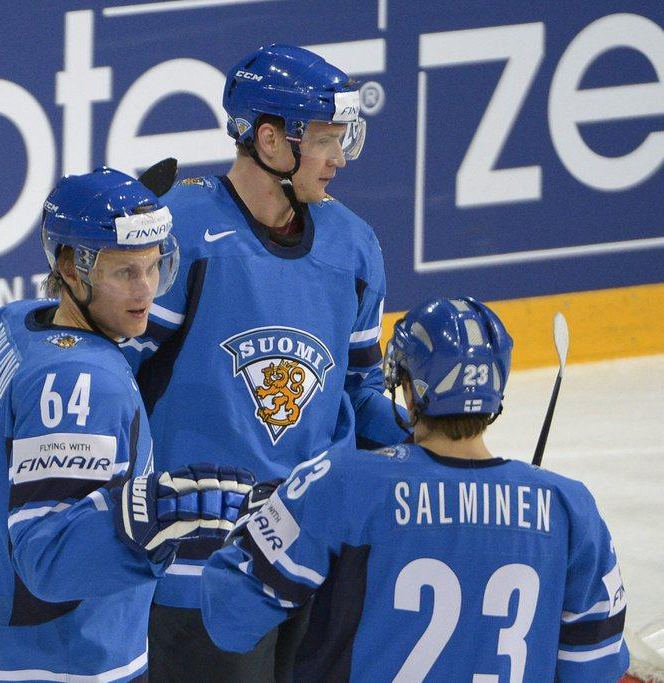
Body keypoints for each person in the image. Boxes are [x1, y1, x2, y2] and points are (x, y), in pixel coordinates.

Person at [0, 165, 253, 682]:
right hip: (49, 664)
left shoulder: (8, 325)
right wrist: (147, 518)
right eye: (124, 272)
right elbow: (50, 560)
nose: (146, 290)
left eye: (155, 267)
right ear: (70, 267)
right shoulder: (83, 383)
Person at [120, 44, 410, 680]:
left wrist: (432, 443)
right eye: (327, 139)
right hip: (202, 569)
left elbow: (359, 393)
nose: (339, 158)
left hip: (317, 557)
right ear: (271, 141)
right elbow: (115, 379)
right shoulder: (183, 235)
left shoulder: (354, 245)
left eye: (344, 138)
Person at [201, 297, 631, 682]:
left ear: (409, 389)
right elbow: (596, 667)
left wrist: (257, 521)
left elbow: (230, 618)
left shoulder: (344, 483)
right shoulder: (570, 509)